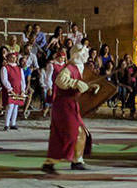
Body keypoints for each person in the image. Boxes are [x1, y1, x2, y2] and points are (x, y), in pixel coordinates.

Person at [42, 45, 100, 174]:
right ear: (76, 55)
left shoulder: (80, 68)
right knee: (72, 133)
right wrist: (76, 83)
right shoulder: (69, 68)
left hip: (71, 105)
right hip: (63, 106)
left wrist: (90, 87)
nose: (86, 55)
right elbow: (60, 80)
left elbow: (80, 86)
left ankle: (75, 160)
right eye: (83, 53)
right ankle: (63, 162)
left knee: (80, 133)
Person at [1, 52, 26, 131]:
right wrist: (10, 89)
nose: (14, 59)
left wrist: (23, 90)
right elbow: (4, 80)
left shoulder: (19, 68)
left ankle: (13, 123)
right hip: (10, 90)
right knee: (10, 106)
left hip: (18, 89)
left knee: (16, 106)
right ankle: (6, 124)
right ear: (8, 58)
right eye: (12, 57)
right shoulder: (5, 68)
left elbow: (22, 80)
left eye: (15, 57)